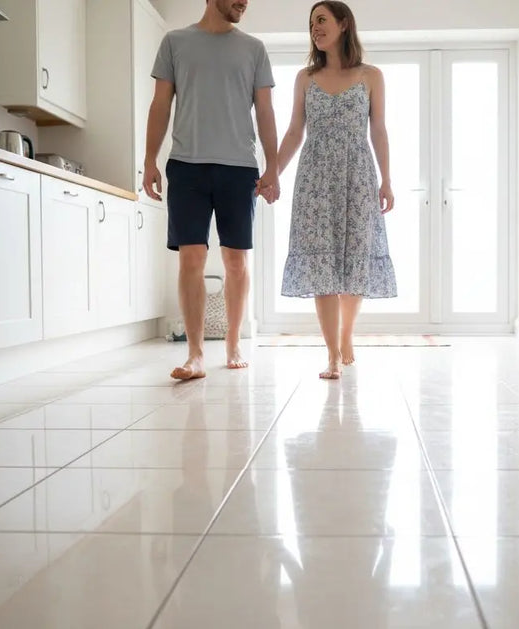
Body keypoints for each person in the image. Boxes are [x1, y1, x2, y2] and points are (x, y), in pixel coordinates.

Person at [143, 0, 280, 381]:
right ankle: (196, 354)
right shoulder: (175, 42)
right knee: (191, 259)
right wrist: (149, 160)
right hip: (186, 167)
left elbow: (265, 111)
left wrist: (273, 166)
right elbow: (160, 105)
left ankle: (234, 343)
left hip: (239, 168)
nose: (244, 2)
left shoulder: (253, 48)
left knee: (236, 262)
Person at [276, 1, 397, 380]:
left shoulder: (371, 76)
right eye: (311, 22)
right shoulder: (305, 78)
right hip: (315, 180)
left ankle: (346, 335)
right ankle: (330, 354)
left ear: (343, 24)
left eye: (322, 20)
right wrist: (273, 173)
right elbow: (295, 131)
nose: (315, 28)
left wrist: (387, 179)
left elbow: (378, 130)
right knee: (322, 265)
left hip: (358, 176)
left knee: (355, 260)